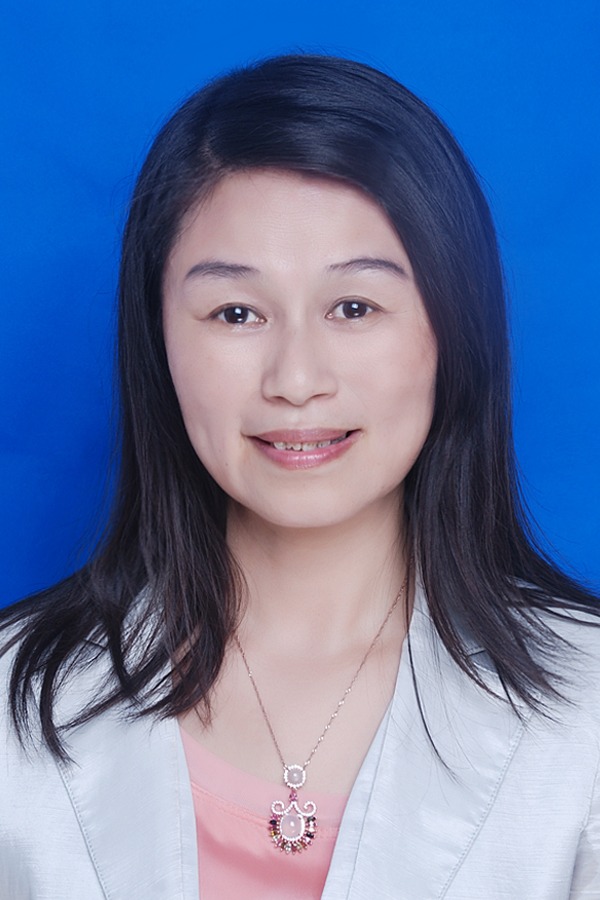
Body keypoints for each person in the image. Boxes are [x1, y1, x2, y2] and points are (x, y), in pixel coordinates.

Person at [1, 53, 599, 899]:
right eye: (235, 312)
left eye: (354, 307)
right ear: (160, 342)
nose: (295, 378)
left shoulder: (587, 710)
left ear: (454, 331)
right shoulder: (13, 700)